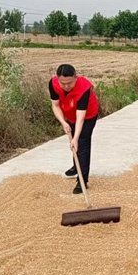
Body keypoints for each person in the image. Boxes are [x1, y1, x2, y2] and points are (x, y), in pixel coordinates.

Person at [49, 64, 99, 195]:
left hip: (87, 116)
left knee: (81, 144)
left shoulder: (84, 89)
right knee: (74, 144)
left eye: (69, 83)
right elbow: (55, 105)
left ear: (75, 78)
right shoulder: (53, 84)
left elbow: (81, 117)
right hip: (69, 115)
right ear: (57, 79)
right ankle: (76, 166)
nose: (66, 86)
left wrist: (76, 137)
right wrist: (63, 122)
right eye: (63, 83)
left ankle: (82, 181)